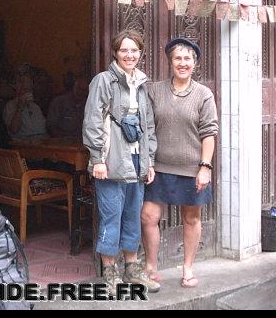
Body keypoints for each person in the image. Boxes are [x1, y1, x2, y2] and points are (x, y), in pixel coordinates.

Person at [82, 29, 160, 294]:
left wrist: (148, 161)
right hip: (111, 159)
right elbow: (93, 120)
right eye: (124, 50)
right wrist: (97, 159)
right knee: (111, 216)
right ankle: (110, 273)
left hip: (137, 160)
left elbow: (147, 125)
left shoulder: (141, 83)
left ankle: (132, 270)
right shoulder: (103, 81)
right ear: (115, 53)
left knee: (132, 216)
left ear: (140, 53)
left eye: (134, 50)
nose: (129, 55)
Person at [141, 37, 218, 288]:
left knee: (191, 219)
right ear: (170, 62)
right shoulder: (155, 90)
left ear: (195, 63)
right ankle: (151, 267)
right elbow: (146, 127)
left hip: (191, 168)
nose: (182, 63)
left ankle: (187, 268)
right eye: (177, 58)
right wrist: (148, 161)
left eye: (187, 59)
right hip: (159, 166)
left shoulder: (203, 94)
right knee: (148, 217)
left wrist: (205, 167)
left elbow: (209, 133)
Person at [3, 75, 49, 141]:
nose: (29, 93)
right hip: (23, 144)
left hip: (41, 143)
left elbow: (43, 130)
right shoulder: (10, 105)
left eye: (30, 90)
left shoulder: (35, 107)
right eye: (26, 89)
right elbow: (14, 129)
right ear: (18, 89)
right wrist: (20, 107)